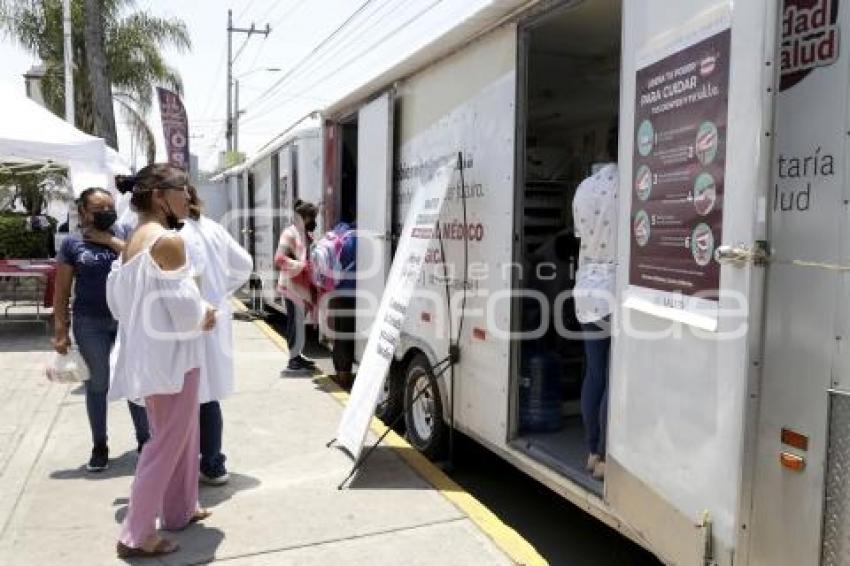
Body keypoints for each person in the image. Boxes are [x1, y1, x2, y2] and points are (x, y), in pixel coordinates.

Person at [108, 164, 216, 558]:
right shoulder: (169, 241)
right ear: (158, 195)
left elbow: (118, 305)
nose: (188, 197)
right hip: (171, 360)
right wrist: (208, 311)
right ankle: (136, 534)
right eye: (182, 189)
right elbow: (189, 315)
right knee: (167, 442)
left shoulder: (135, 240)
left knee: (182, 437)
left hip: (154, 357)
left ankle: (180, 509)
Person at [52, 187, 150, 472]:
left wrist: (110, 241)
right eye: (99, 208)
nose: (107, 212)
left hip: (127, 321)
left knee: (134, 381)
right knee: (97, 385)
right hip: (89, 322)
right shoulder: (72, 244)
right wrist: (60, 330)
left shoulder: (128, 233)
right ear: (83, 212)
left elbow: (144, 262)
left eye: (110, 206)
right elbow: (61, 292)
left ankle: (145, 440)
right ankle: (100, 445)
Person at [181, 186, 253, 486]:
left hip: (184, 324)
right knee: (207, 396)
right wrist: (221, 290)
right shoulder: (212, 228)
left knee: (183, 398)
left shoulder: (173, 233)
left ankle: (183, 468)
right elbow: (245, 265)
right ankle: (212, 463)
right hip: (212, 318)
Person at [572, 122, 618, 481]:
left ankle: (591, 450)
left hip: (587, 287)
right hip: (614, 289)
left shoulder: (586, 187)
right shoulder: (632, 186)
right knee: (613, 377)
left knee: (595, 372)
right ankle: (603, 456)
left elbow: (580, 236)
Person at [275, 199, 318, 375]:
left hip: (302, 288)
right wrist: (301, 266)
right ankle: (293, 360)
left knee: (300, 323)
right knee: (295, 323)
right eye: (312, 217)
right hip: (291, 287)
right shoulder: (289, 233)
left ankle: (297, 355)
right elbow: (279, 259)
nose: (314, 221)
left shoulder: (304, 234)